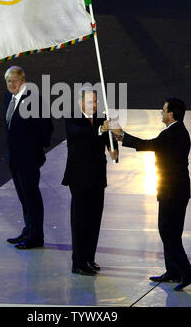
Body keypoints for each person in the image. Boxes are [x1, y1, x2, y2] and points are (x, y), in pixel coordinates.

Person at [101, 97, 191, 291]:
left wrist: (122, 135)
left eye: (163, 110)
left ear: (171, 114)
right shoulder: (176, 132)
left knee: (168, 232)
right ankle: (172, 271)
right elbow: (154, 145)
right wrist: (122, 136)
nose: (161, 113)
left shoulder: (172, 134)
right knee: (171, 232)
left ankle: (187, 272)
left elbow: (149, 144)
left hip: (172, 193)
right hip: (176, 191)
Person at [62, 87, 118, 275]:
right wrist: (101, 129)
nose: (92, 105)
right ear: (80, 103)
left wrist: (114, 145)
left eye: (94, 102)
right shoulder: (72, 119)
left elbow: (111, 146)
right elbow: (80, 133)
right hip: (78, 178)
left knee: (94, 219)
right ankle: (78, 263)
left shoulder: (103, 120)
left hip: (97, 178)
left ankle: (89, 258)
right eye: (88, 102)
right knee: (80, 221)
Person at [4, 66, 53, 249]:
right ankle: (28, 229)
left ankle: (36, 237)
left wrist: (34, 150)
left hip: (28, 159)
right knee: (23, 197)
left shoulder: (33, 100)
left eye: (15, 80)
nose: (11, 84)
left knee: (31, 197)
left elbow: (46, 127)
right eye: (9, 81)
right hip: (15, 159)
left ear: (23, 81)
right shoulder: (11, 97)